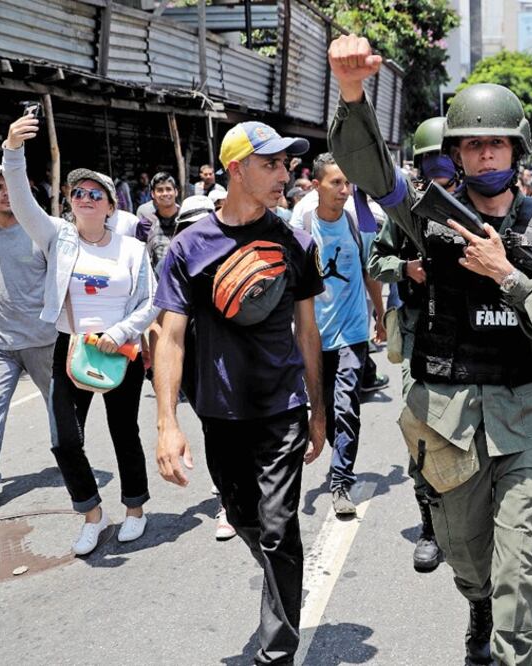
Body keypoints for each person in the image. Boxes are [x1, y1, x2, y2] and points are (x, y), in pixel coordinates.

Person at [329, 34, 532, 666]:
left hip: (527, 413)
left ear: (517, 150)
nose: (486, 152)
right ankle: (476, 604)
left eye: (496, 141)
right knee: (468, 558)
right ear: (458, 156)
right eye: (474, 143)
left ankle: (509, 655)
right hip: (447, 415)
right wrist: (352, 93)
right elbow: (371, 174)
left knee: (518, 568)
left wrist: (507, 274)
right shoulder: (429, 215)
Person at [153, 120, 326, 665]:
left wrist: (318, 410)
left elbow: (308, 331)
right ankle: (280, 582)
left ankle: (276, 653)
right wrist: (167, 424)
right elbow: (171, 337)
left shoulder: (294, 240)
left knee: (278, 529)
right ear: (236, 169)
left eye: (286, 164)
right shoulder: (188, 248)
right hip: (220, 412)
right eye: (271, 164)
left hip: (282, 408)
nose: (285, 174)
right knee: (247, 519)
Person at [3, 114, 159, 554]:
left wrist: (120, 332)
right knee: (64, 440)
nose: (86, 198)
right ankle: (92, 513)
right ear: (69, 201)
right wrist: (12, 152)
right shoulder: (57, 236)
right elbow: (20, 201)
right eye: (78, 193)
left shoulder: (130, 248)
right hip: (69, 349)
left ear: (111, 206)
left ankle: (134, 510)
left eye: (96, 194)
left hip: (119, 350)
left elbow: (150, 301)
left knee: (123, 431)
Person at [367, 114, 452, 573]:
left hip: (475, 339)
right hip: (421, 333)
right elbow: (375, 260)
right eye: (430, 165)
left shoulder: (481, 205)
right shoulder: (407, 213)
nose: (440, 174)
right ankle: (429, 528)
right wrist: (407, 268)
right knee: (420, 435)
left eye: (447, 163)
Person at [294, 152, 385, 516]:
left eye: (347, 183)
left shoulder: (355, 225)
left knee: (346, 405)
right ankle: (339, 455)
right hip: (316, 335)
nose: (344, 190)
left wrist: (380, 313)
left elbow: (369, 271)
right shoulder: (301, 228)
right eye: (336, 183)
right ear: (316, 186)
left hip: (352, 331)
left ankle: (341, 481)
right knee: (325, 407)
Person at [0, 164, 58, 508]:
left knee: (59, 408)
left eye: (10, 185)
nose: (5, 193)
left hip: (43, 340)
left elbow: (63, 285)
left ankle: (71, 462)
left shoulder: (42, 231)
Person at [134, 172, 180, 249]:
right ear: (152, 194)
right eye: (160, 190)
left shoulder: (185, 219)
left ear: (176, 192)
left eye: (168, 189)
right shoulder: (147, 223)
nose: (165, 193)